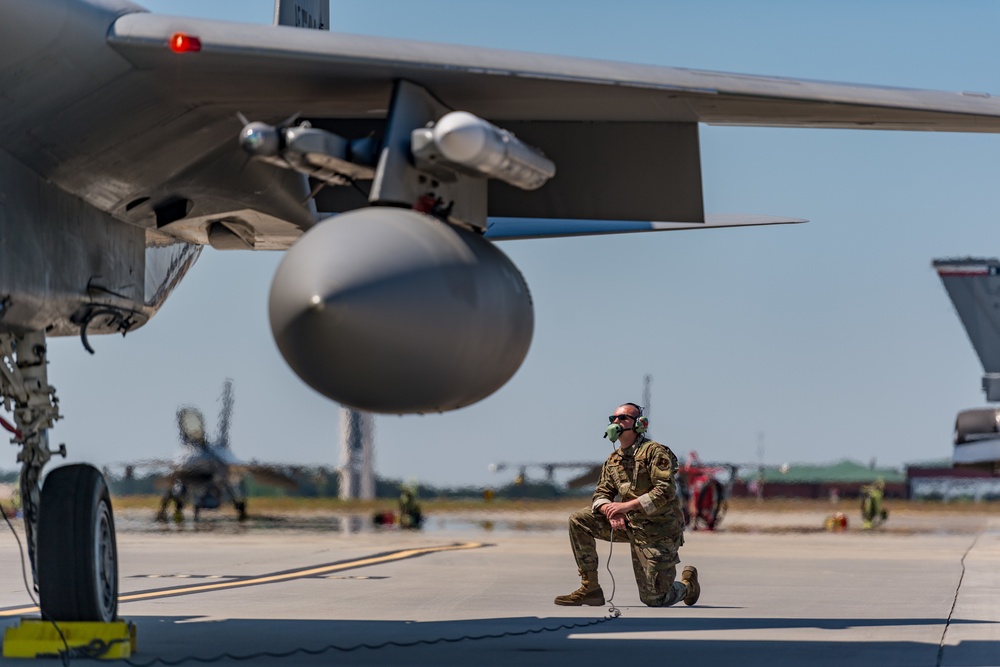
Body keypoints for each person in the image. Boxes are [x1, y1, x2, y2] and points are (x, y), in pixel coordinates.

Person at [554, 402, 700, 607]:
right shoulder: (613, 460)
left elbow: (665, 491)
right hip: (630, 525)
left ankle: (687, 586)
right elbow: (601, 493)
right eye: (613, 419)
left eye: (623, 418)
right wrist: (610, 511)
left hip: (658, 531)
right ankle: (590, 588)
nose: (616, 422)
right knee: (579, 520)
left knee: (656, 599)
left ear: (639, 424)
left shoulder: (655, 452)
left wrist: (625, 507)